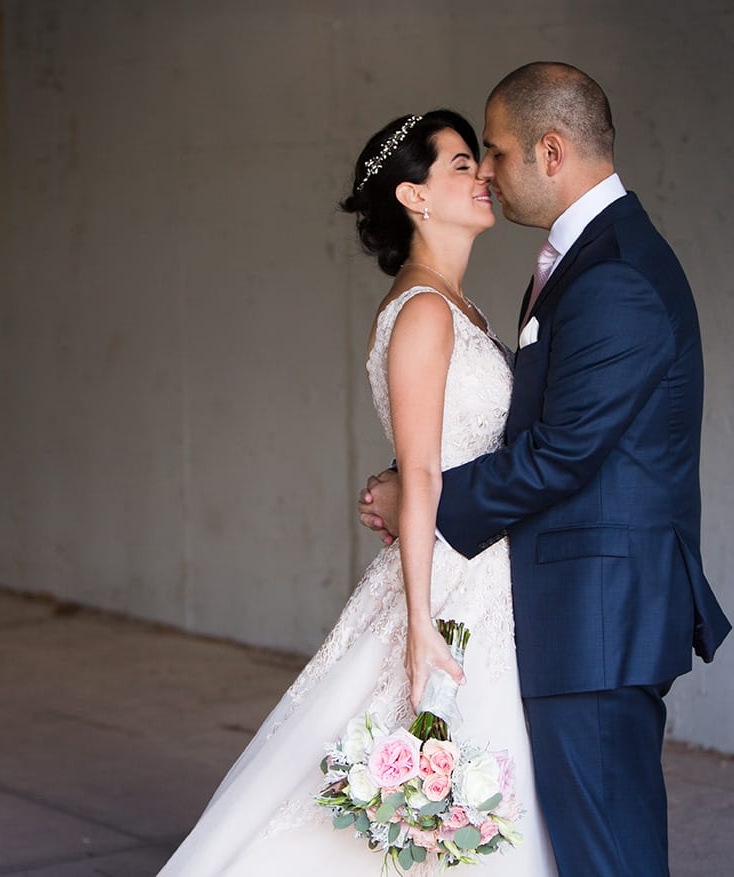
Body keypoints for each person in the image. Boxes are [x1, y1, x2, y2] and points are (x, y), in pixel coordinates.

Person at [155, 109, 557, 875]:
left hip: (481, 568)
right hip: (448, 579)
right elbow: (426, 469)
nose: (484, 178)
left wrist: (401, 486)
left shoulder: (458, 305)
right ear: (414, 197)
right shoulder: (424, 312)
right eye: (461, 166)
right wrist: (419, 623)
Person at [359, 62, 733, 876]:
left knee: (608, 856)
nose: (486, 171)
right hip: (573, 610)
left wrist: (423, 497)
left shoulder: (615, 273)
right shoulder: (589, 257)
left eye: (493, 153)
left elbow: (562, 451)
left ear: (552, 152)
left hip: (596, 615)